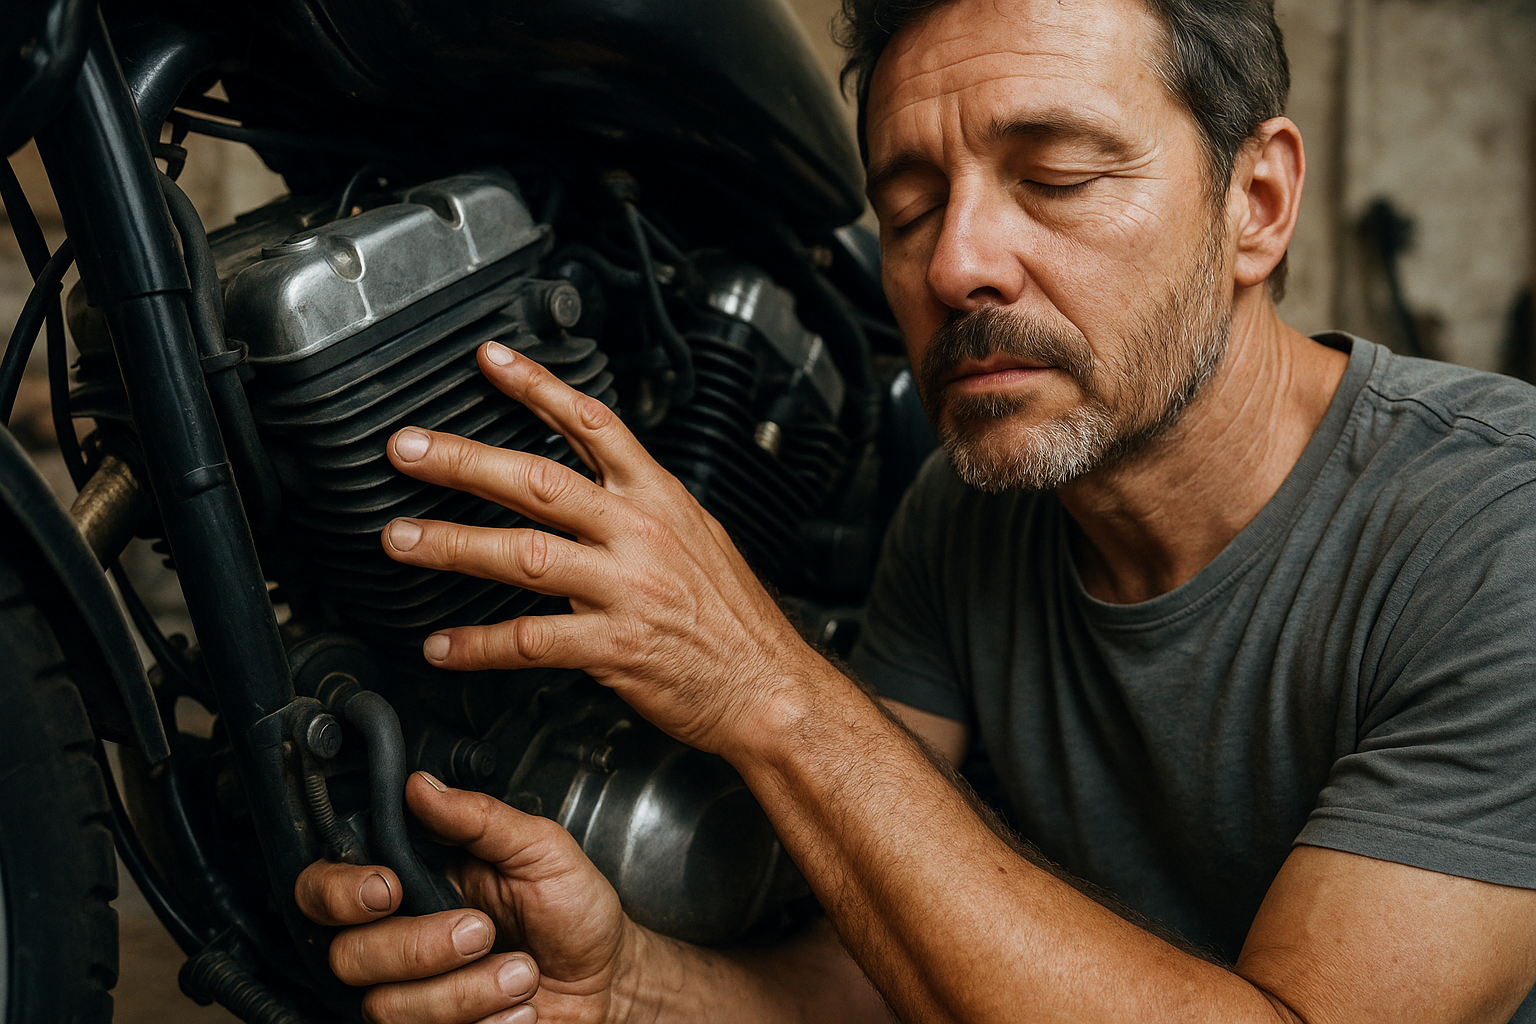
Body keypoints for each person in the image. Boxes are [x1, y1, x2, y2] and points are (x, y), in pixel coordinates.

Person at [295, 0, 1536, 1020]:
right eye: (908, 209)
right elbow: (899, 961)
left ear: (1255, 203)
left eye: (1052, 177)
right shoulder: (967, 513)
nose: (954, 265)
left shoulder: (1496, 524)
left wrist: (765, 683)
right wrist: (623, 988)